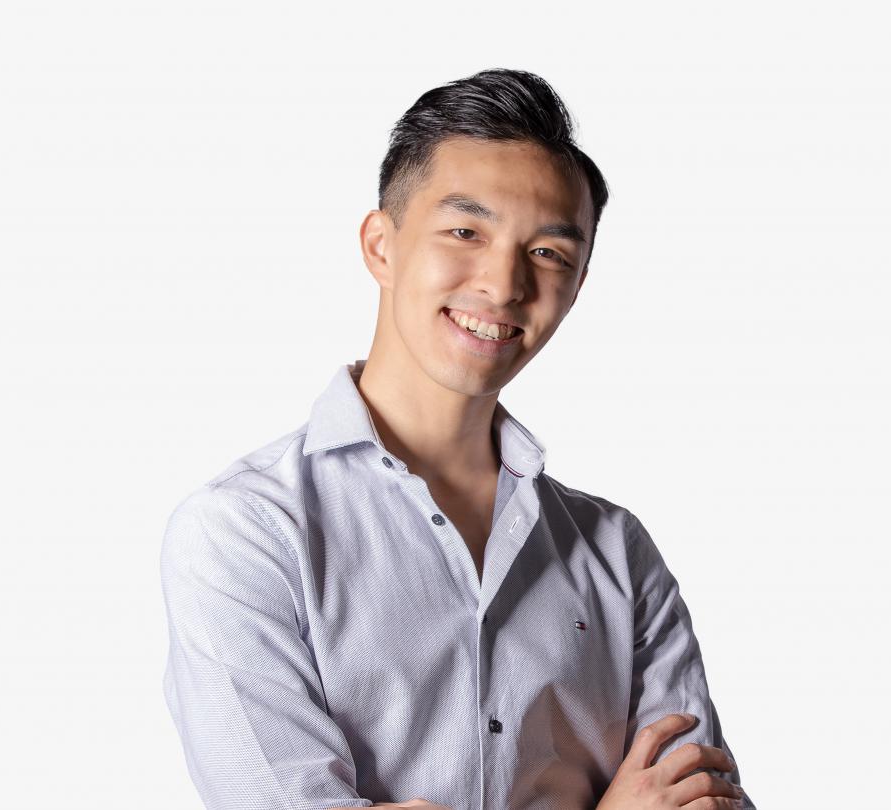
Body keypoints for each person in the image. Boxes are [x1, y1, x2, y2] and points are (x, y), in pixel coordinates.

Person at [160, 67, 755, 810]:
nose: (504, 285)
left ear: (578, 284)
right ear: (381, 246)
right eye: (466, 232)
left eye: (548, 252)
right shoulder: (245, 533)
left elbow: (701, 797)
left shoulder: (617, 551)